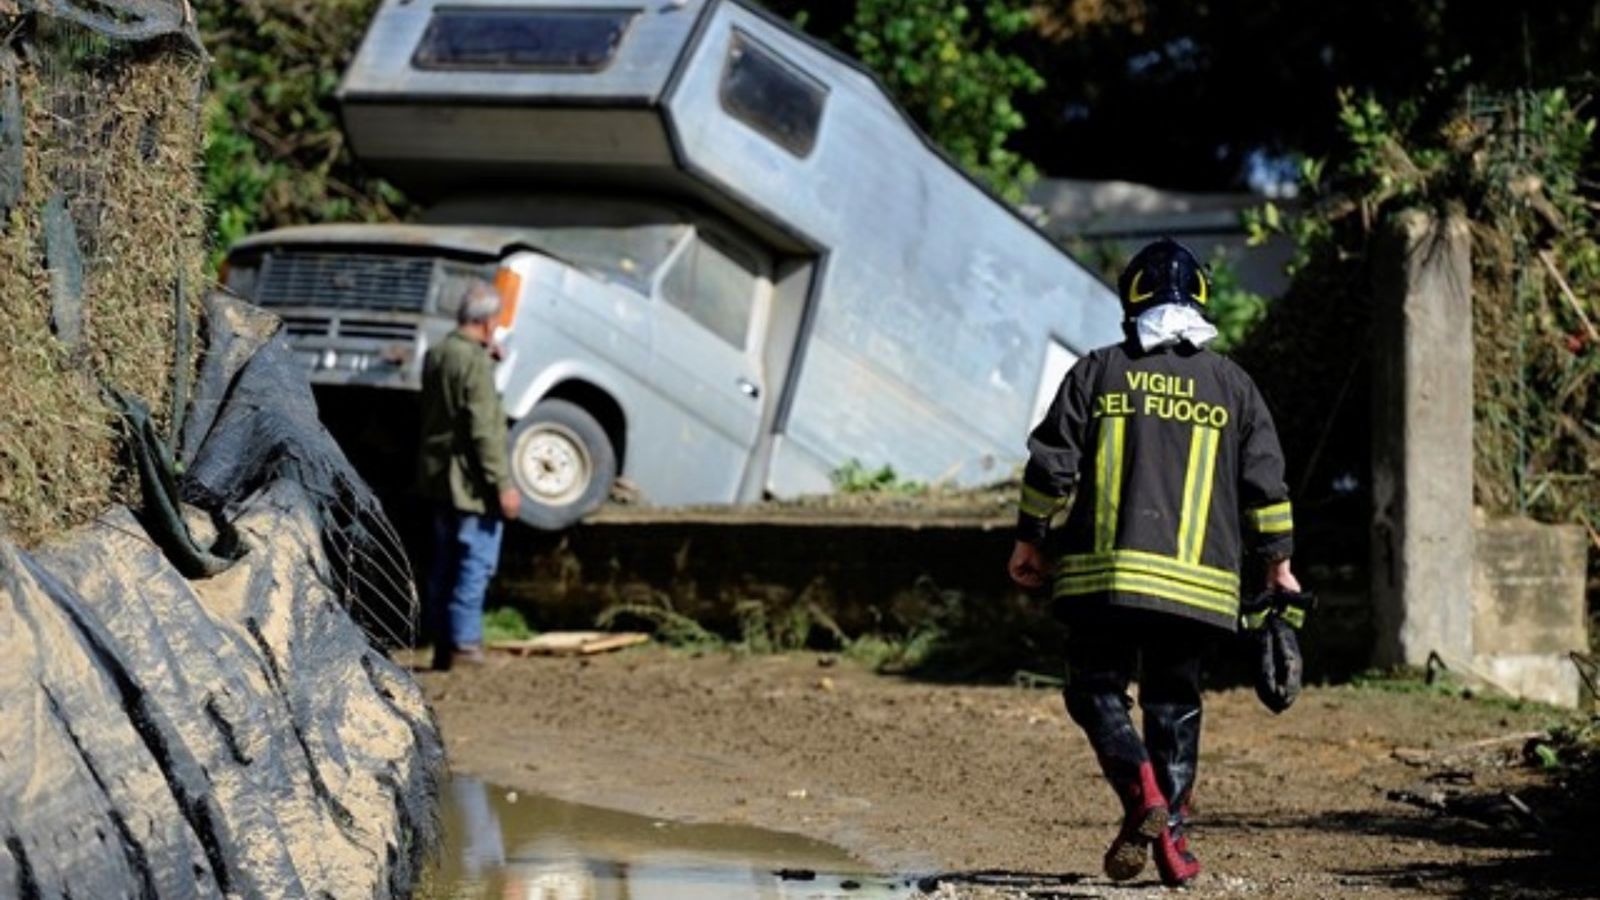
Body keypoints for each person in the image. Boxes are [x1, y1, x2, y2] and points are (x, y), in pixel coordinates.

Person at [1007, 238, 1300, 887]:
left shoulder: (1098, 370)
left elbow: (1051, 467)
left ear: (1130, 300)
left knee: (1094, 690)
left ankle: (1143, 797)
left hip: (1103, 581)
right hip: (1200, 589)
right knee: (1174, 703)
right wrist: (1278, 566)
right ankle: (1174, 837)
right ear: (1201, 300)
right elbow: (1266, 487)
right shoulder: (1233, 385)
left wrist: (1031, 538)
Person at [417, 281, 521, 670]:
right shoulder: (474, 362)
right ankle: (465, 644)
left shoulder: (438, 353)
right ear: (488, 321)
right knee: (474, 562)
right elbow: (482, 430)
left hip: (438, 479)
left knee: (444, 563)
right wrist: (503, 484)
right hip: (471, 485)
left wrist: (487, 360)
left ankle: (443, 644)